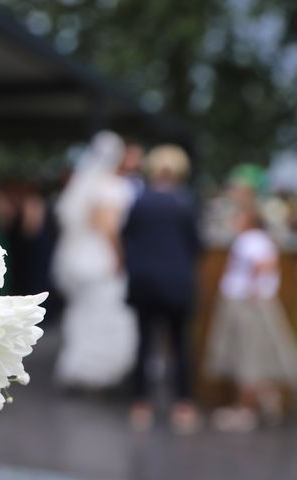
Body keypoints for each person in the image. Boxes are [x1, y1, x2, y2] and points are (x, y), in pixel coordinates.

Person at [122, 144, 202, 434]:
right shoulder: (185, 202)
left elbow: (126, 237)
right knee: (180, 344)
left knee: (144, 342)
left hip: (144, 281)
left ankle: (141, 404)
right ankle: (183, 404)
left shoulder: (140, 201)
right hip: (178, 282)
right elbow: (196, 245)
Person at [52, 131, 137, 389]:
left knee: (82, 312)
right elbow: (108, 227)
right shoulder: (112, 186)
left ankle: (77, 365)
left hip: (79, 257)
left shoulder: (83, 184)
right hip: (101, 258)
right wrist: (120, 258)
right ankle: (99, 371)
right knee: (105, 312)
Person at [206, 203, 297, 432]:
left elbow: (265, 263)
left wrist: (252, 287)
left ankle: (245, 409)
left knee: (248, 357)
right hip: (252, 303)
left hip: (247, 305)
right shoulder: (258, 239)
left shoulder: (250, 240)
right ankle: (268, 399)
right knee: (256, 355)